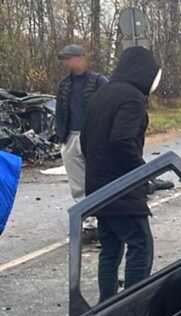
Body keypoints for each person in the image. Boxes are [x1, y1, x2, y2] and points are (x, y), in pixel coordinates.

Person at [80, 46, 162, 301]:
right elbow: (122, 140)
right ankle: (132, 306)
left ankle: (108, 304)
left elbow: (85, 140)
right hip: (123, 189)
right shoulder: (132, 98)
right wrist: (143, 174)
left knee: (111, 249)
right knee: (141, 246)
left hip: (99, 188)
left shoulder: (101, 94)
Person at [55, 44, 108, 239]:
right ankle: (87, 224)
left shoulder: (99, 82)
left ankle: (102, 222)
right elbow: (60, 110)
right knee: (78, 184)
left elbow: (107, 108)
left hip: (93, 137)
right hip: (70, 136)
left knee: (96, 180)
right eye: (66, 59)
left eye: (70, 58)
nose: (68, 63)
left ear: (81, 58)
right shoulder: (64, 84)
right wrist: (61, 135)